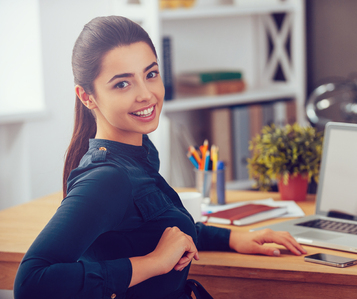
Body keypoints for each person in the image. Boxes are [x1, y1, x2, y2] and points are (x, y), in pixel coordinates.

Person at [13, 16, 307, 299]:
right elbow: (31, 283)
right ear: (86, 96)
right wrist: (154, 262)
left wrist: (233, 238)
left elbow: (153, 229)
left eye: (150, 74)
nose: (147, 94)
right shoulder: (108, 179)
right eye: (122, 83)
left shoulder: (139, 153)